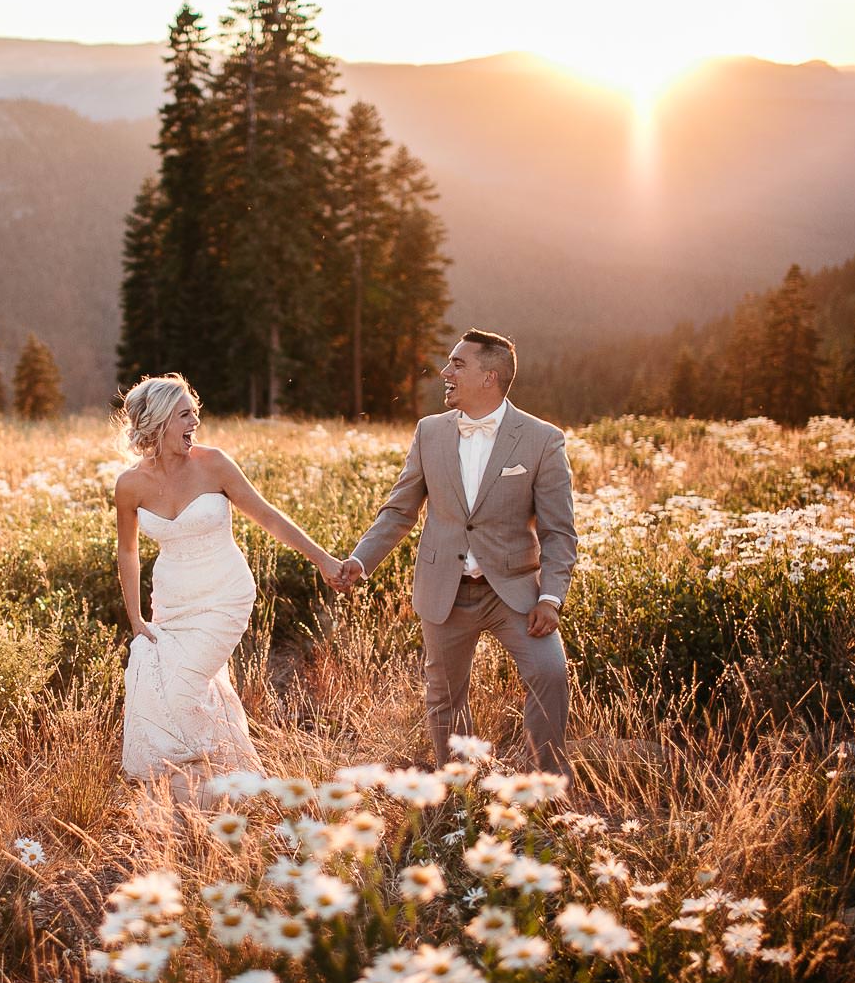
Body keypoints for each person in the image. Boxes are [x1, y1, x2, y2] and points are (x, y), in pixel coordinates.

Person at [332, 329, 578, 777]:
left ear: (491, 377)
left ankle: (548, 787)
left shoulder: (543, 440)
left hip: (516, 594)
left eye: (457, 364)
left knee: (550, 674)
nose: (445, 372)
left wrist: (551, 596)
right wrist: (360, 559)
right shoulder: (430, 432)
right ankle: (457, 796)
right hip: (444, 588)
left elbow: (559, 532)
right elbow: (399, 511)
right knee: (445, 697)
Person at [114, 374, 344, 805]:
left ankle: (201, 790)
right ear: (160, 421)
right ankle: (212, 795)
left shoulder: (214, 464)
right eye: (185, 415)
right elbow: (127, 553)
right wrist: (135, 617)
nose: (194, 422)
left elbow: (268, 516)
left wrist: (324, 560)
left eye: (195, 414)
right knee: (157, 683)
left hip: (225, 594)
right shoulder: (130, 485)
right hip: (172, 603)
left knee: (180, 689)